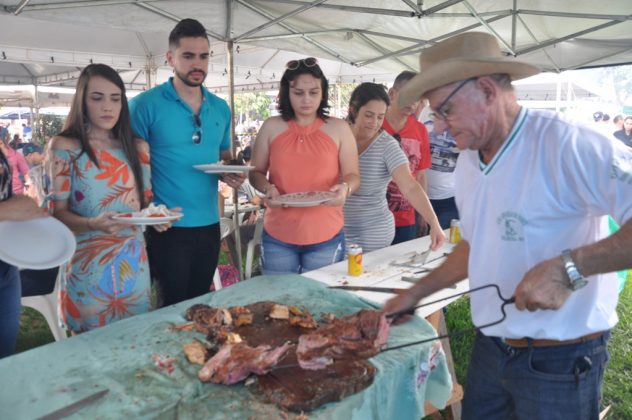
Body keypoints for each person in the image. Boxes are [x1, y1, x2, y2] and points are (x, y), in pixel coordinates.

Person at [385, 32, 632, 419]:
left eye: (445, 111)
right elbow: (476, 243)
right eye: (434, 115)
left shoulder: (568, 144)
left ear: (486, 90)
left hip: (562, 359)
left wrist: (568, 268)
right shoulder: (470, 160)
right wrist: (416, 293)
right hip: (492, 345)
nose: (439, 128)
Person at [130, 19, 244, 306]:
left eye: (203, 56)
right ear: (170, 58)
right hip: (166, 225)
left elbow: (225, 158)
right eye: (188, 56)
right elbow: (130, 166)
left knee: (200, 306)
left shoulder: (220, 107)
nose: (197, 64)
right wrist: (147, 211)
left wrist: (233, 174)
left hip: (209, 224)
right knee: (170, 309)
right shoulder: (144, 105)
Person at [46, 63, 165, 334]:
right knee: (89, 351)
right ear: (82, 102)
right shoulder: (64, 147)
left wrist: (158, 216)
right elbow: (56, 214)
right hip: (88, 269)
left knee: (135, 342)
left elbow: (144, 205)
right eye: (97, 98)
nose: (107, 107)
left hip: (133, 266)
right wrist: (92, 223)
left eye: (115, 99)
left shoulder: (137, 147)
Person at [250, 57, 360, 274]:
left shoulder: (339, 128)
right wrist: (267, 188)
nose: (306, 100)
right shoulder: (271, 126)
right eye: (298, 93)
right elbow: (256, 173)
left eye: (313, 92)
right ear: (286, 93)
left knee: (321, 294)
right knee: (279, 293)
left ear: (323, 93)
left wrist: (345, 189)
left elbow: (353, 175)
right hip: (278, 233)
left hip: (326, 232)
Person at [343, 82, 444, 253]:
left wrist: (434, 223)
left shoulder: (387, 145)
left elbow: (410, 186)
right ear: (353, 111)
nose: (374, 123)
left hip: (373, 233)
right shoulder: (337, 135)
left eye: (380, 117)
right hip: (336, 230)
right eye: (369, 115)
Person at [0, 150, 46, 358]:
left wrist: (20, 206)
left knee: (5, 360)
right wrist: (15, 208)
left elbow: (26, 205)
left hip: (6, 267)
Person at [382, 71, 432, 244]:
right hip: (374, 219)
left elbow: (421, 175)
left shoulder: (420, 130)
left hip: (406, 219)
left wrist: (423, 215)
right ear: (392, 94)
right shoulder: (375, 124)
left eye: (417, 98)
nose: (412, 102)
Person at [423, 112, 460, 229]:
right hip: (420, 196)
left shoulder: (464, 122)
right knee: (419, 239)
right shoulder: (424, 115)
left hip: (449, 198)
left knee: (444, 239)